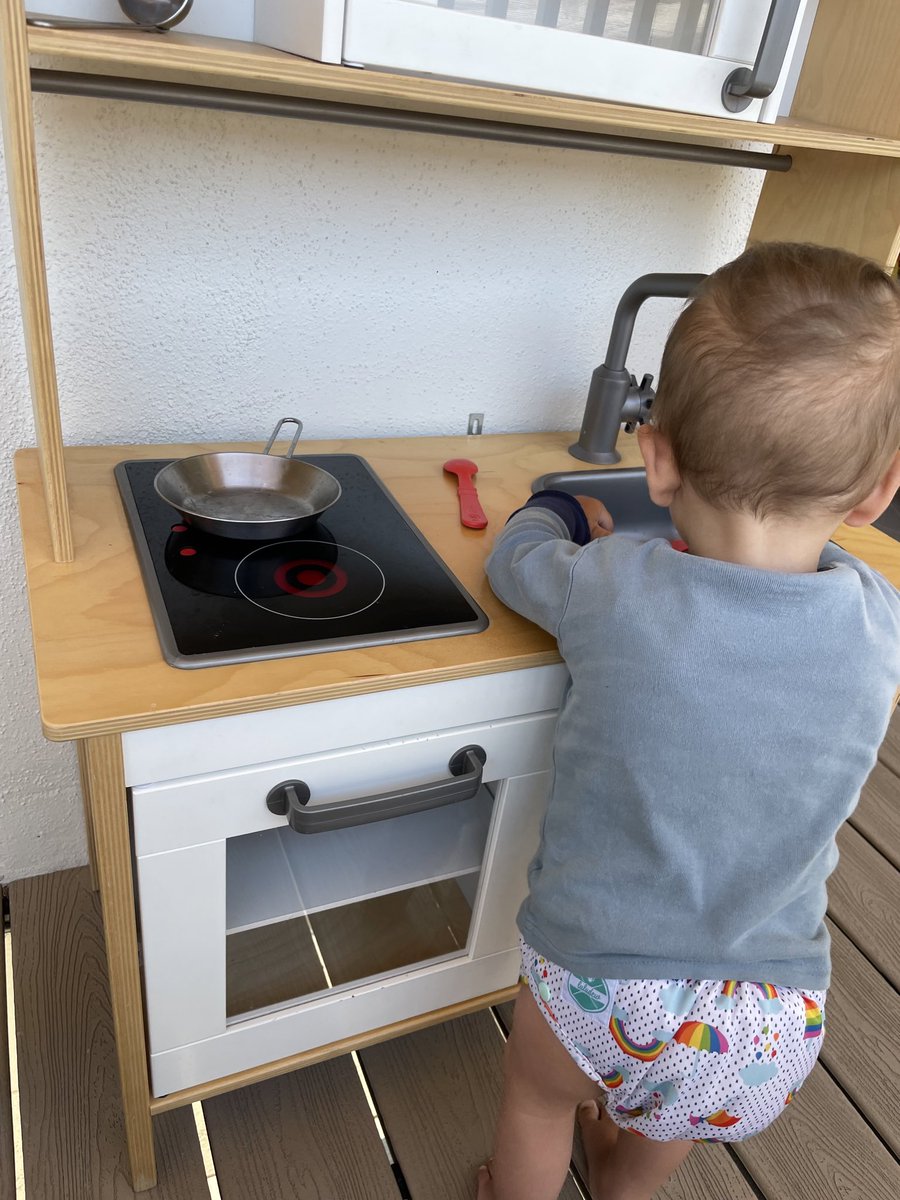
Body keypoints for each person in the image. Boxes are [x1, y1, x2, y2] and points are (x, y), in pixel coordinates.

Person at [478, 242, 900, 1200]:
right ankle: (622, 1183)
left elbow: (514, 565)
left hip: (599, 981)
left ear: (656, 458)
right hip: (769, 1021)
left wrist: (554, 521)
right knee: (669, 1124)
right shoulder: (880, 621)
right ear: (878, 493)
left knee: (540, 1103)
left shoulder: (614, 584)